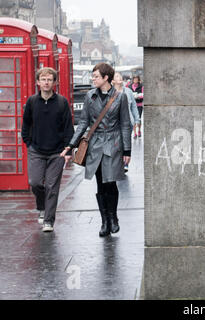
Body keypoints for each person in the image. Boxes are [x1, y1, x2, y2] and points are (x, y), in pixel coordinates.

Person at [61, 63, 131, 237]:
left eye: (96, 77)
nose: (93, 79)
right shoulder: (90, 96)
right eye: (93, 76)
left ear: (106, 78)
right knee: (100, 182)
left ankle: (113, 217)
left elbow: (125, 125)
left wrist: (127, 151)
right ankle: (104, 221)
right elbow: (83, 122)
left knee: (110, 182)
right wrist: (71, 144)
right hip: (95, 144)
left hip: (113, 143)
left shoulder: (120, 97)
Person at [21, 67, 74, 232]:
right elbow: (26, 124)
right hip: (36, 150)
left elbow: (68, 127)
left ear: (54, 82)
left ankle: (48, 221)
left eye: (49, 79)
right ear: (38, 82)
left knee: (52, 186)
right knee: (35, 182)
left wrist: (68, 150)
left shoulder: (61, 102)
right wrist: (28, 142)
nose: (46, 82)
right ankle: (42, 206)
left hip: (57, 152)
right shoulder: (31, 102)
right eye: (43, 79)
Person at [112, 72, 140, 172]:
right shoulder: (110, 92)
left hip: (128, 122)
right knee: (117, 144)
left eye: (120, 76)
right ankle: (118, 162)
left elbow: (133, 106)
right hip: (115, 123)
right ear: (112, 80)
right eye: (117, 76)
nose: (119, 77)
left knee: (126, 142)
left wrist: (137, 120)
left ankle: (125, 163)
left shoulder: (128, 91)